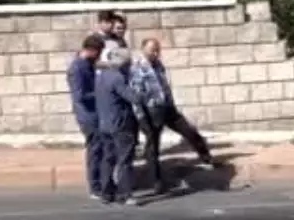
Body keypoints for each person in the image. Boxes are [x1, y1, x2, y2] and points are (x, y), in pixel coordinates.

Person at [130, 37, 214, 193]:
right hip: (151, 111)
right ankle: (156, 180)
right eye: (152, 50)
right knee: (152, 146)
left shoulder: (158, 65)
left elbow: (164, 86)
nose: (155, 53)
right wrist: (141, 117)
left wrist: (170, 102)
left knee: (189, 131)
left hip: (168, 108)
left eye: (157, 50)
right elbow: (135, 96)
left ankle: (206, 156)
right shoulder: (137, 68)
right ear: (143, 49)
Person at [96, 46, 141, 205]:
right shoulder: (118, 78)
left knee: (108, 159)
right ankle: (125, 194)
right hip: (120, 124)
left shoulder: (102, 76)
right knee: (124, 160)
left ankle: (106, 193)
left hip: (105, 123)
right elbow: (133, 98)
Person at [67, 35, 107, 199]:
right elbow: (80, 96)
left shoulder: (88, 64)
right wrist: (100, 93)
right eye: (98, 52)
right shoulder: (77, 68)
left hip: (95, 113)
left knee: (101, 147)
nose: (99, 56)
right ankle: (94, 186)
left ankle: (102, 182)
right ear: (91, 50)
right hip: (87, 115)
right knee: (95, 149)